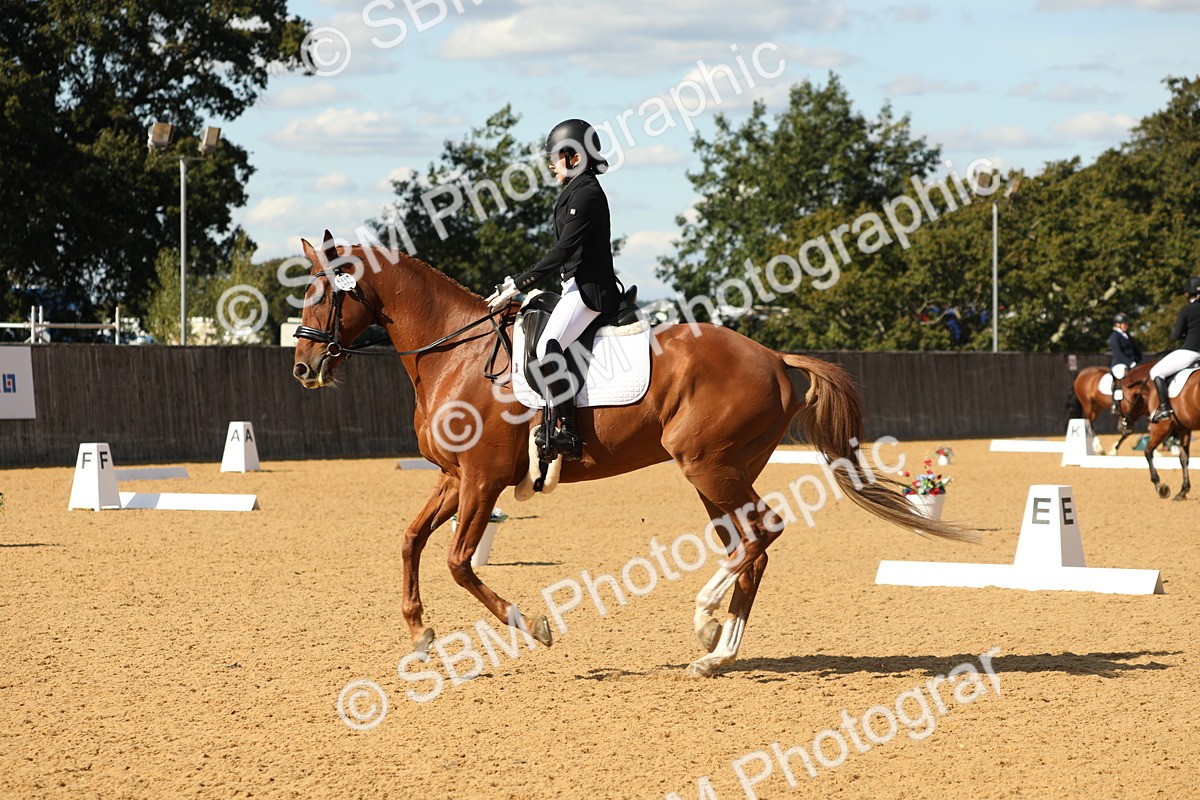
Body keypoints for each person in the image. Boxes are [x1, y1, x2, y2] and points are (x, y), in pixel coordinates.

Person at [485, 119, 622, 461]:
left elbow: (561, 251)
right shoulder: (574, 192)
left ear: (575, 158)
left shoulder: (587, 193)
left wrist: (519, 281)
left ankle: (566, 431)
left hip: (590, 290)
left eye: (557, 157)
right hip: (572, 286)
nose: (551, 164)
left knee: (549, 348)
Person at [1149, 276, 1200, 422]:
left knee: (1156, 372)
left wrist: (1184, 334)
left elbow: (1175, 335)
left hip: (1190, 352)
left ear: (1187, 293)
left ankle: (1164, 408)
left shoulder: (1187, 309)